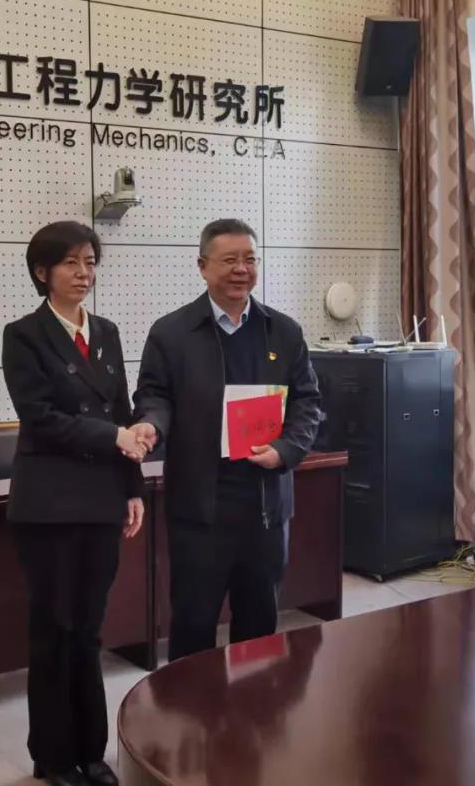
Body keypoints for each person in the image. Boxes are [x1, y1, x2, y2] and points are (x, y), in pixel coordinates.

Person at [132, 218, 322, 662]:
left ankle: (252, 706)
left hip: (265, 505)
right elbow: (154, 396)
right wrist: (152, 424)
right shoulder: (171, 333)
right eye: (230, 260)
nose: (242, 269)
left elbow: (308, 403)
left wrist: (285, 450)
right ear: (202, 266)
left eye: (250, 259)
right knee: (193, 624)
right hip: (200, 507)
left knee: (259, 628)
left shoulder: (284, 331)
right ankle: (190, 707)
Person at [1, 220, 147, 786]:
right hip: (48, 505)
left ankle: (91, 750)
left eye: (90, 262)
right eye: (71, 263)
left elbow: (122, 410)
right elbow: (41, 417)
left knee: (89, 630)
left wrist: (132, 487)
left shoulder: (106, 332)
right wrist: (114, 437)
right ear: (43, 272)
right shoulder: (24, 335)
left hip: (102, 500)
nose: (84, 273)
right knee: (54, 629)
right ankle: (53, 756)